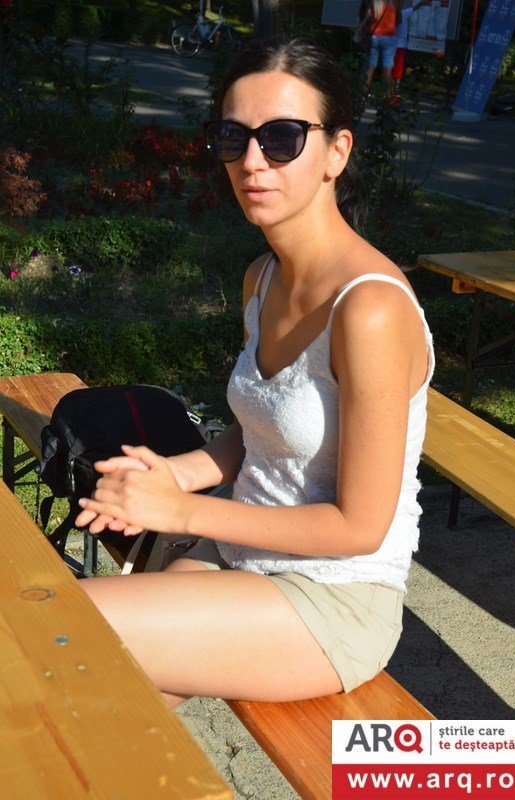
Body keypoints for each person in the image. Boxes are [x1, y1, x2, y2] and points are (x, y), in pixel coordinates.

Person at [76, 37, 435, 708]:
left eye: (281, 138)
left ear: (337, 152)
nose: (251, 161)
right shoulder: (262, 278)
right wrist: (177, 473)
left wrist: (181, 509)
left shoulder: (371, 310)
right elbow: (265, 430)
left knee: (59, 631)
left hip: (333, 598)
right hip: (238, 554)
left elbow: (360, 525)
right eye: (232, 137)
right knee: (84, 710)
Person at [360, 0, 403, 100]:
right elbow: (399, 20)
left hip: (375, 37)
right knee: (387, 69)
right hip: (389, 38)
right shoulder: (393, 4)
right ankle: (388, 97)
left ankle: (363, 94)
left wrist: (361, 30)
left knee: (371, 68)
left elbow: (366, 19)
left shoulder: (375, 4)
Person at [392, 0, 430, 95]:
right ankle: (395, 90)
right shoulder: (404, 13)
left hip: (391, 45)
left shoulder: (390, 15)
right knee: (398, 68)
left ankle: (389, 89)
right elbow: (417, 6)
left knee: (390, 67)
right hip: (400, 46)